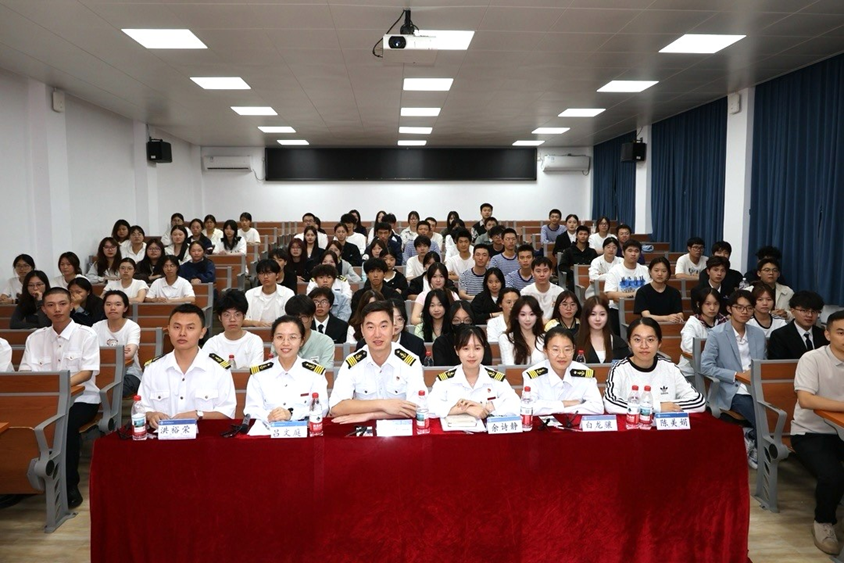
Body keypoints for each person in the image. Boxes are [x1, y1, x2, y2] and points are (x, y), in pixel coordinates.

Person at [19, 287, 100, 508]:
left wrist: (56, 387)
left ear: (71, 305)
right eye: (51, 305)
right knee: (20, 424)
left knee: (64, 425)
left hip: (82, 399)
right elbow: (26, 372)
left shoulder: (87, 334)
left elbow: (86, 373)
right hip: (44, 401)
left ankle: (68, 484)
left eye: (62, 304)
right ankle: (22, 482)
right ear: (44, 309)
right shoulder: (35, 338)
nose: (57, 309)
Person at [789, 311, 844, 556]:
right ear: (827, 334)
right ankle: (824, 521)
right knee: (833, 475)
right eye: (841, 332)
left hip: (841, 430)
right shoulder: (812, 359)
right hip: (811, 431)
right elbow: (806, 400)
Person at [139, 303, 236, 430]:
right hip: (163, 438)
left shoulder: (218, 369)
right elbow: (141, 408)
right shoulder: (153, 369)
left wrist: (199, 415)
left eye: (190, 328)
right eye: (177, 327)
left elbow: (227, 412)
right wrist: (151, 415)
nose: (182, 333)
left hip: (205, 438)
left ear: (202, 332)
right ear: (168, 330)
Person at [700, 290, 767, 469]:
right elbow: (705, 366)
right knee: (760, 415)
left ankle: (751, 436)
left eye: (749, 308)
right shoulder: (717, 334)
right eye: (739, 307)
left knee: (773, 412)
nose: (744, 311)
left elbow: (764, 363)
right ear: (729, 309)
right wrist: (736, 375)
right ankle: (758, 447)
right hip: (732, 387)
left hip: (757, 386)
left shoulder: (758, 334)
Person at [329, 300, 425, 423]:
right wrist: (383, 405)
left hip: (401, 429)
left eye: (383, 326)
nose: (377, 334)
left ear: (393, 329)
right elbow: (336, 407)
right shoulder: (352, 363)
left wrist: (371, 415)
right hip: (364, 431)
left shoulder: (410, 362)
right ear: (362, 331)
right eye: (370, 327)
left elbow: (415, 409)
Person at [604, 317, 705, 415]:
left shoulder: (670, 368)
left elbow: (698, 402)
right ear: (629, 343)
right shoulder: (619, 369)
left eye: (650, 340)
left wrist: (668, 406)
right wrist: (658, 407)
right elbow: (610, 403)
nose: (644, 346)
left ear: (659, 343)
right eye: (637, 340)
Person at [244, 315, 329, 424]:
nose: (285, 343)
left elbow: (322, 408)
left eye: (292, 337)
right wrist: (269, 415)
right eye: (280, 337)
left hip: (303, 431)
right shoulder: (259, 374)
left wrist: (291, 414)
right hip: (268, 430)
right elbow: (250, 410)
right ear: (272, 340)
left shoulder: (314, 373)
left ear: (302, 341)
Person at [429, 326, 519, 419]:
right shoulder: (446, 379)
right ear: (456, 351)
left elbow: (515, 403)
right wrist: (464, 409)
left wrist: (486, 407)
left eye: (477, 348)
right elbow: (430, 406)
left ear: (484, 349)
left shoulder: (495, 378)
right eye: (466, 349)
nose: (471, 355)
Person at [522, 326, 603, 415]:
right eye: (555, 350)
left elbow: (597, 407)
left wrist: (559, 409)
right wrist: (565, 404)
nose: (562, 355)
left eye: (567, 350)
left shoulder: (585, 374)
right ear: (545, 351)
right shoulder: (533, 375)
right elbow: (528, 407)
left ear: (573, 350)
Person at [93, 290, 143, 396]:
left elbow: (129, 354)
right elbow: (89, 353)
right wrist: (119, 352)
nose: (112, 308)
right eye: (108, 304)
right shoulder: (96, 327)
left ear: (125, 308)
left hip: (129, 373)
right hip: (101, 373)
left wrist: (102, 353)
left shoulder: (132, 327)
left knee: (113, 391)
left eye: (118, 304)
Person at [202, 289, 265, 369]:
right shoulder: (212, 344)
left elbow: (255, 371)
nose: (232, 319)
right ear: (220, 318)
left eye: (237, 314)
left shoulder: (254, 341)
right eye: (227, 315)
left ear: (244, 317)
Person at [678, 288, 728, 379]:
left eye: (716, 304)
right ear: (699, 304)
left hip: (718, 371)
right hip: (691, 372)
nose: (712, 308)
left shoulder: (723, 322)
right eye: (708, 304)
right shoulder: (692, 323)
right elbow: (689, 348)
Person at [603, 239, 651, 335]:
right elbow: (610, 294)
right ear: (623, 253)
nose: (633, 254)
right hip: (618, 310)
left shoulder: (645, 270)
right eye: (630, 251)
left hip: (642, 310)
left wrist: (622, 295)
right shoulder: (615, 271)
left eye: (636, 251)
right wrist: (634, 294)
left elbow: (650, 292)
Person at [768, 291, 828, 360]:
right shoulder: (779, 336)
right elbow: (777, 364)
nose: (809, 315)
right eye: (804, 310)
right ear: (792, 311)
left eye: (814, 311)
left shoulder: (823, 335)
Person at [575, 295, 630, 363]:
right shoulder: (575, 342)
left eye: (602, 314)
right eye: (593, 314)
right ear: (586, 316)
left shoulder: (618, 343)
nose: (598, 319)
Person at [284, 295, 334, 368]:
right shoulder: (281, 340)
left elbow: (325, 372)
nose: (299, 322)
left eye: (304, 317)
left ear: (312, 316)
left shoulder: (326, 342)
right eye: (294, 317)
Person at [244, 259, 294, 327]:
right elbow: (242, 320)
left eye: (269, 273)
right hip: (254, 330)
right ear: (258, 276)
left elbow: (292, 319)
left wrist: (277, 324)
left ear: (277, 275)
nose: (265, 277)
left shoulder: (288, 293)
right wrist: (256, 323)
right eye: (262, 273)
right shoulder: (249, 294)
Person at [633, 257, 684, 323]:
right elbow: (646, 316)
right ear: (650, 272)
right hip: (649, 325)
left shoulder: (674, 292)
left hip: (671, 326)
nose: (660, 274)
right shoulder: (642, 291)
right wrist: (666, 318)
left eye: (664, 271)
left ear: (668, 273)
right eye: (656, 270)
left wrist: (678, 317)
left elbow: (680, 313)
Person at [499, 295, 546, 365]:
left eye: (532, 314)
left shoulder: (545, 338)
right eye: (523, 314)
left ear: (537, 316)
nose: (528, 319)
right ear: (516, 316)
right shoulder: (506, 338)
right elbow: (509, 366)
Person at [558, 225, 597, 290]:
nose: (583, 236)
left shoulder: (592, 252)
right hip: (573, 279)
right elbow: (562, 266)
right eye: (580, 234)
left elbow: (596, 266)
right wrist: (572, 270)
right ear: (576, 236)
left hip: (589, 278)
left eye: (585, 234)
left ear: (588, 236)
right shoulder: (569, 251)